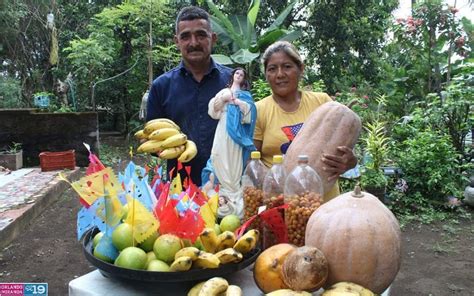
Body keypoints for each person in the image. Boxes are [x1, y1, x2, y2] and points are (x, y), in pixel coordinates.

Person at [254, 41, 357, 201]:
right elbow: (251, 161)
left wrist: (349, 162)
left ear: (300, 69)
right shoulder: (259, 110)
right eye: (272, 69)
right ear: (266, 74)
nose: (280, 74)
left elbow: (346, 154)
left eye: (287, 66)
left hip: (325, 204)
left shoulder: (323, 102)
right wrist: (273, 182)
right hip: (280, 204)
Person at [146, 6, 232, 186]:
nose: (193, 42)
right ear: (177, 41)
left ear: (213, 38)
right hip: (180, 187)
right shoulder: (161, 87)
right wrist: (173, 146)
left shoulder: (233, 83)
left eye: (201, 35)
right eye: (185, 36)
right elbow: (152, 141)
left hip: (228, 184)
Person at [206, 68, 257, 218]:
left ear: (244, 79)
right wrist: (223, 99)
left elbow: (251, 112)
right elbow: (213, 111)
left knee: (234, 158)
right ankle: (222, 189)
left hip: (237, 131)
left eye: (242, 75)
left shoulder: (245, 95)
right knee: (218, 154)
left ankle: (234, 190)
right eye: (237, 73)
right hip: (223, 127)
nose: (239, 76)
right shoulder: (223, 92)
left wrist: (236, 101)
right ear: (233, 75)